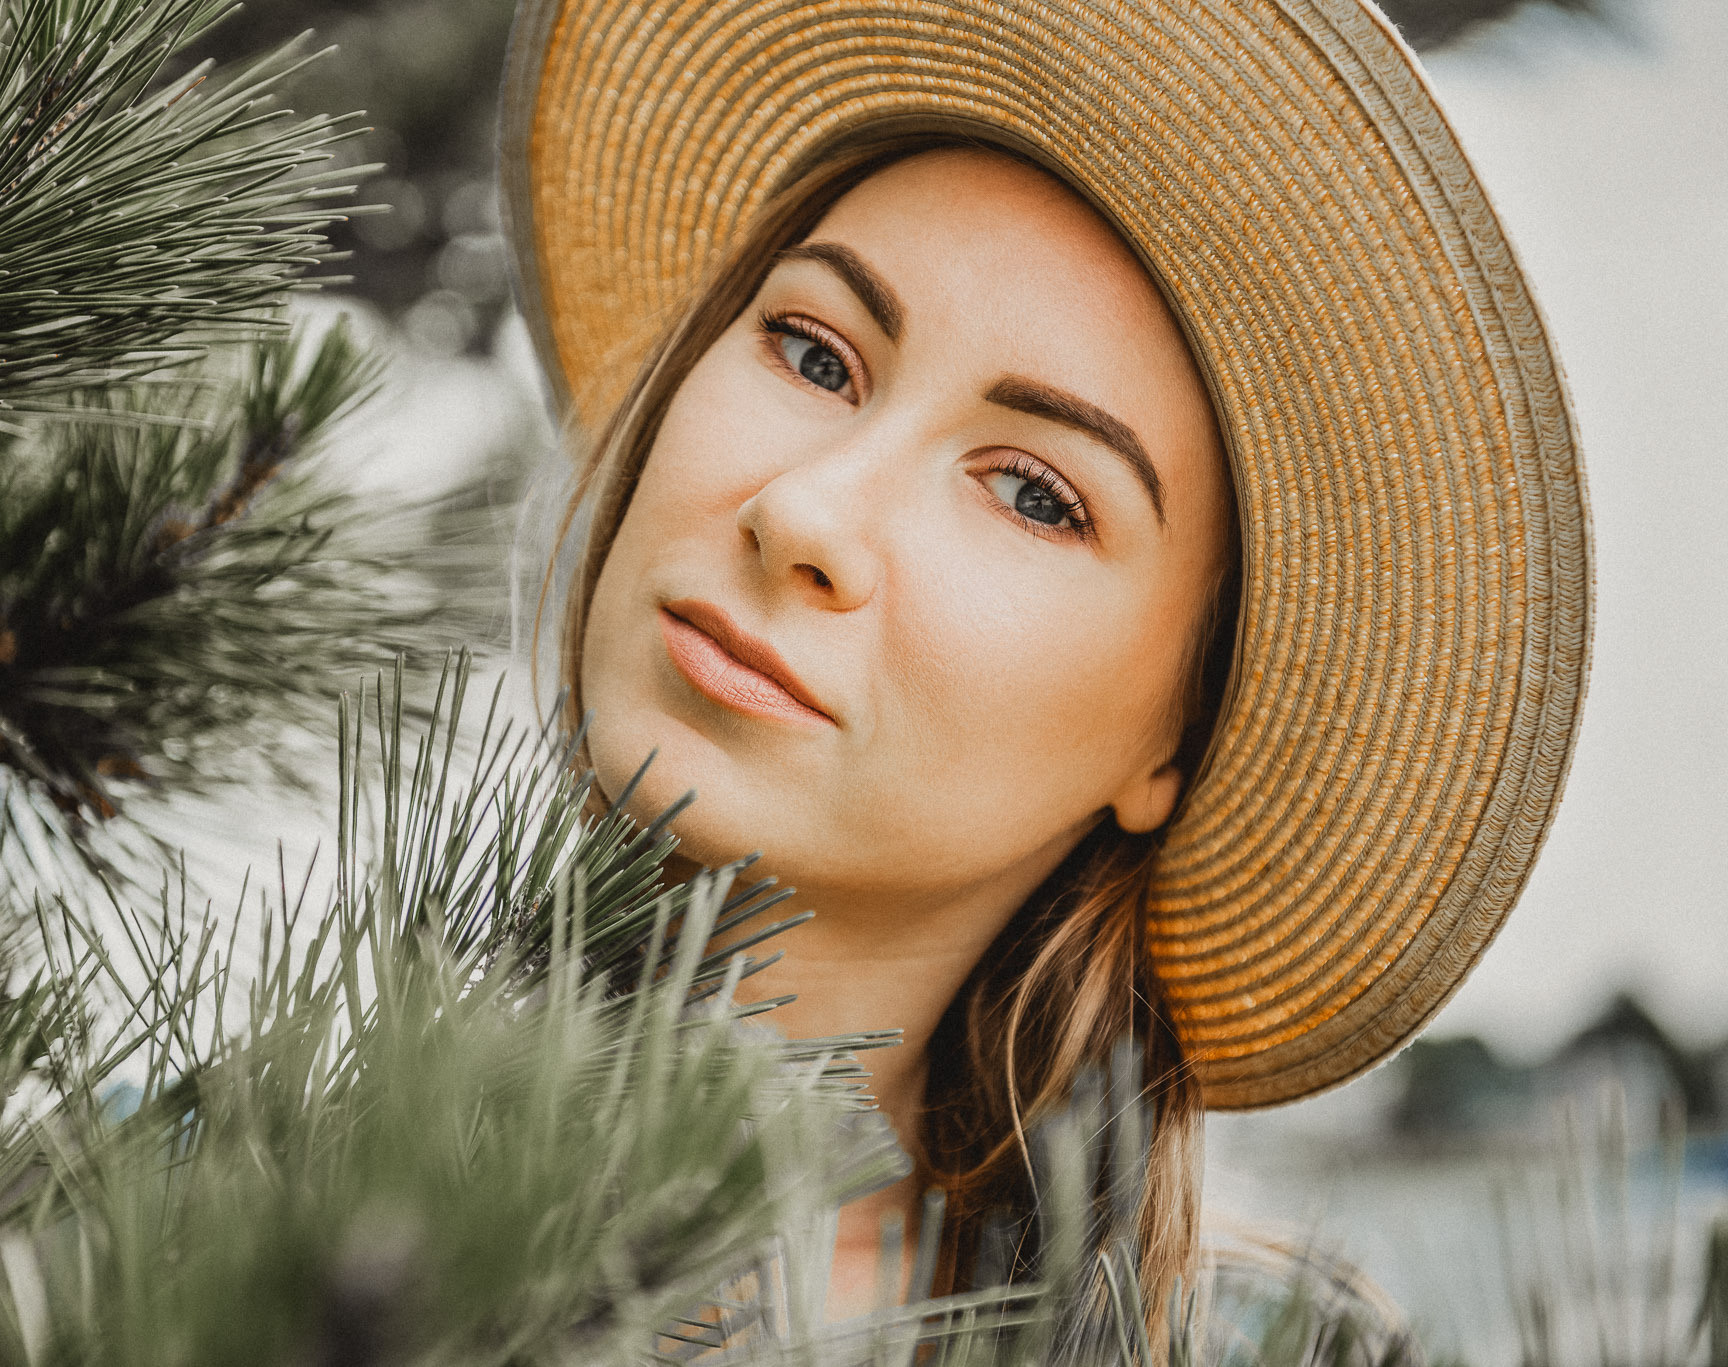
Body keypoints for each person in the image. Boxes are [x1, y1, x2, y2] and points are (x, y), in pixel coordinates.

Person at [497, 0, 1593, 1320]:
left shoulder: (1271, 1348)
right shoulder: (222, 1209)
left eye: (1031, 494)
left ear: (1169, 744)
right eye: (811, 351)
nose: (805, 515)